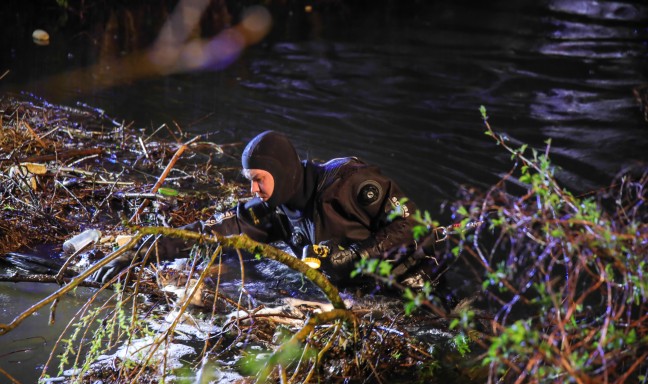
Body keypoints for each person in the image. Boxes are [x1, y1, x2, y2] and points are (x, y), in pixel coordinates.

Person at [94, 131, 451, 305]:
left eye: (258, 180)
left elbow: (414, 223)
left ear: (281, 171)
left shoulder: (352, 184)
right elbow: (214, 234)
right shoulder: (274, 209)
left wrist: (357, 256)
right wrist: (142, 251)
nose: (253, 190)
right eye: (250, 181)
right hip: (350, 294)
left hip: (411, 290)